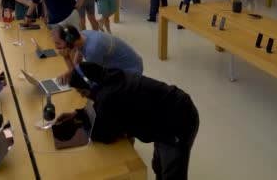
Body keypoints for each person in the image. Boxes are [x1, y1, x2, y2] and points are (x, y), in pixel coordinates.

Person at [58, 62, 199, 180]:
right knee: (159, 165)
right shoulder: (108, 78)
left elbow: (106, 134)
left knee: (172, 172)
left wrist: (81, 125)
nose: (84, 97)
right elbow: (99, 109)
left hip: (179, 120)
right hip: (166, 113)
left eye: (83, 93)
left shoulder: (109, 96)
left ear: (91, 85)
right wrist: (77, 114)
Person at [51, 25, 143, 79]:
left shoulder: (93, 50)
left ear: (70, 40)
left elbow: (79, 77)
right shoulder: (82, 35)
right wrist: (69, 73)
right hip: (126, 65)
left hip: (130, 72)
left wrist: (66, 57)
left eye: (58, 43)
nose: (56, 47)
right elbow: (77, 63)